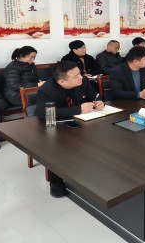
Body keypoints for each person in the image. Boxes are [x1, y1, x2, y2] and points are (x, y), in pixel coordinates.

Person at [35, 61, 104, 198]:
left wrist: (98, 102)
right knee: (57, 148)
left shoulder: (83, 81)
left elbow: (94, 95)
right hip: (58, 126)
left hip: (83, 123)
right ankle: (56, 180)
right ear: (62, 81)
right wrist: (78, 109)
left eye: (80, 73)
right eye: (76, 76)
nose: (81, 77)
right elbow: (43, 113)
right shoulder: (47, 89)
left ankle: (91, 172)